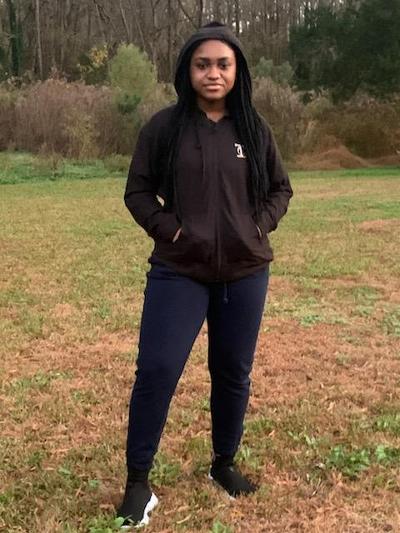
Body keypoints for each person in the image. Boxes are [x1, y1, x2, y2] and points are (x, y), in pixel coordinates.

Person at [116, 21, 293, 528]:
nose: (213, 73)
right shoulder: (164, 128)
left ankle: (223, 464)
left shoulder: (254, 129)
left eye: (223, 64)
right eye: (202, 64)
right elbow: (137, 191)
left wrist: (258, 225)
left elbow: (280, 188)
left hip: (245, 271)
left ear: (237, 71)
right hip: (180, 270)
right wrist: (169, 230)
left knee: (233, 371)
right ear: (187, 71)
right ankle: (138, 483)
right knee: (157, 369)